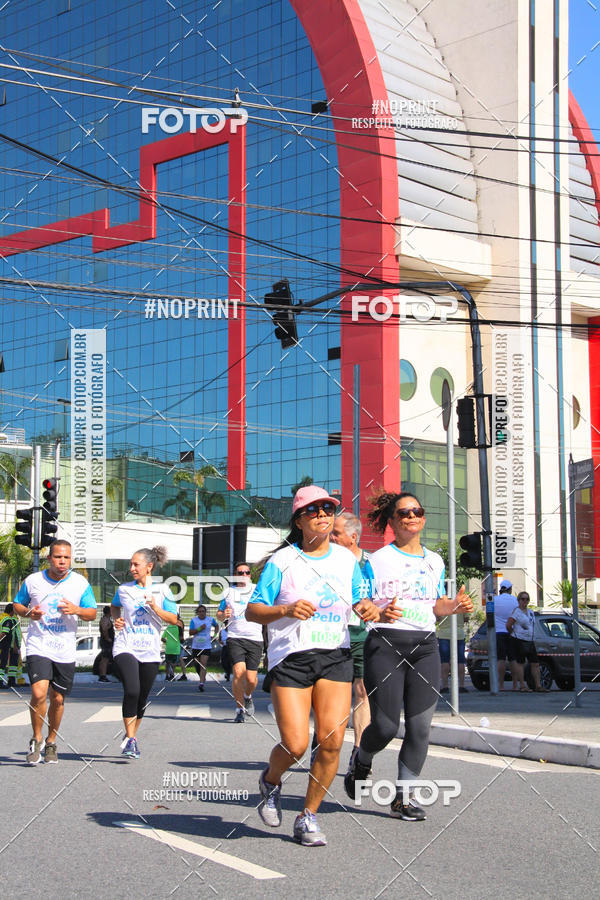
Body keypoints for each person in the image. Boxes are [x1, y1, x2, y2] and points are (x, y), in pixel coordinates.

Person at [246, 485, 380, 847]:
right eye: (313, 510)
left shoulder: (346, 560)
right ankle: (270, 782)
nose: (322, 514)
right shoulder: (282, 562)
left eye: (328, 509)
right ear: (299, 520)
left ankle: (308, 816)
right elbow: (253, 610)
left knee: (333, 741)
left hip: (334, 655)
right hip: (291, 657)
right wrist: (285, 610)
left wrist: (368, 609)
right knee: (295, 744)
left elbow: (362, 601)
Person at [344, 491, 473, 821]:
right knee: (386, 727)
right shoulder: (376, 560)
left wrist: (453, 607)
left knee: (420, 728)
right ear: (393, 522)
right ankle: (362, 757)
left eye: (417, 511)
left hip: (425, 647)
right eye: (404, 513)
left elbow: (435, 606)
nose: (411, 516)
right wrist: (376, 611)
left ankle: (404, 797)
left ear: (423, 518)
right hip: (385, 645)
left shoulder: (435, 561)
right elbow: (362, 604)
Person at [13, 540, 97, 765]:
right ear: (49, 558)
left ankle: (51, 741)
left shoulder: (80, 583)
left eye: (66, 558)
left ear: (71, 559)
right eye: (58, 557)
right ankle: (36, 738)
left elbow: (92, 613)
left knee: (58, 699)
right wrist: (29, 612)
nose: (62, 562)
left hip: (65, 649)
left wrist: (77, 610)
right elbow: (17, 605)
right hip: (39, 645)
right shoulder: (33, 581)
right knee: (39, 694)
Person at [111, 546, 177, 758]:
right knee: (131, 690)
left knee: (141, 698)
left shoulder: (163, 590)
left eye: (135, 564)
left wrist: (156, 608)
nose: (131, 568)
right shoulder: (124, 589)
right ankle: (131, 740)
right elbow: (114, 607)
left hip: (150, 650)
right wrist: (116, 619)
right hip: (126, 646)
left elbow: (174, 620)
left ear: (149, 567)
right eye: (131, 564)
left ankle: (130, 735)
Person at [328, 512, 372, 772]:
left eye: (336, 533)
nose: (331, 537)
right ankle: (325, 745)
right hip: (333, 634)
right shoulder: (327, 563)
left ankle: (358, 753)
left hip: (363, 635)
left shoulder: (371, 564)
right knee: (334, 695)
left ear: (353, 537)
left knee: (362, 690)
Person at [217, 561, 263, 722]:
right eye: (240, 572)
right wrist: (224, 615)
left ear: (250, 575)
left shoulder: (257, 589)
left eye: (247, 572)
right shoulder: (229, 592)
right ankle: (239, 709)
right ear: (235, 575)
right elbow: (219, 614)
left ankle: (248, 696)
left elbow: (267, 606)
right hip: (235, 637)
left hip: (255, 638)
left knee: (251, 679)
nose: (244, 575)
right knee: (238, 672)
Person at [507, 591, 548, 692]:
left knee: (535, 663)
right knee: (520, 663)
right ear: (518, 600)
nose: (525, 601)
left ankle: (538, 685)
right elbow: (508, 625)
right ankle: (522, 685)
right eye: (523, 599)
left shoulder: (530, 612)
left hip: (530, 640)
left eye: (527, 599)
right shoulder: (516, 612)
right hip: (519, 639)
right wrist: (514, 633)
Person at [493, 578, 519, 691]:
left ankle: (501, 685)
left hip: (499, 632)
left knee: (501, 659)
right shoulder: (515, 601)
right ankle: (515, 685)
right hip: (512, 632)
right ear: (510, 589)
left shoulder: (494, 600)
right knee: (513, 659)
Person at [189, 604, 218, 692]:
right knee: (197, 664)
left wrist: (215, 635)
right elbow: (191, 632)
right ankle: (202, 677)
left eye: (203, 611)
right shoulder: (194, 620)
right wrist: (199, 629)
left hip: (206, 646)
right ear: (197, 613)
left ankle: (201, 683)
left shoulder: (210, 619)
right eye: (200, 611)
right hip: (196, 646)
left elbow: (216, 626)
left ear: (206, 612)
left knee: (203, 664)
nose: (202, 613)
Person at [437, 613, 468, 693]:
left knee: (444, 661)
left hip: (444, 634)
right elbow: (466, 618)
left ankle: (445, 686)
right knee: (460, 661)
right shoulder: (461, 602)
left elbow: (437, 618)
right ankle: (461, 686)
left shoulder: (441, 601)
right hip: (459, 634)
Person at [0, 603, 22, 689]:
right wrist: (16, 645)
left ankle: (11, 681)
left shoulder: (3, 617)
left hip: (8, 645)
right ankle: (2, 682)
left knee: (11, 664)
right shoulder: (8, 620)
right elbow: (5, 633)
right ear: (12, 611)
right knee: (2, 664)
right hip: (6, 645)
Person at [162, 615, 184, 681]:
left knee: (168, 663)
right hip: (176, 648)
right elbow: (181, 638)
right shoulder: (179, 628)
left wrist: (167, 643)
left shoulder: (168, 628)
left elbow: (162, 638)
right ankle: (172, 675)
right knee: (173, 663)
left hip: (168, 648)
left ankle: (166, 676)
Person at [98, 605, 114, 682]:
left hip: (107, 641)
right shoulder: (105, 619)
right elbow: (104, 629)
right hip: (106, 642)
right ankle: (102, 676)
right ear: (109, 612)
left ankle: (104, 675)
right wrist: (107, 638)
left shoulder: (107, 619)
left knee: (106, 658)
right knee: (105, 659)